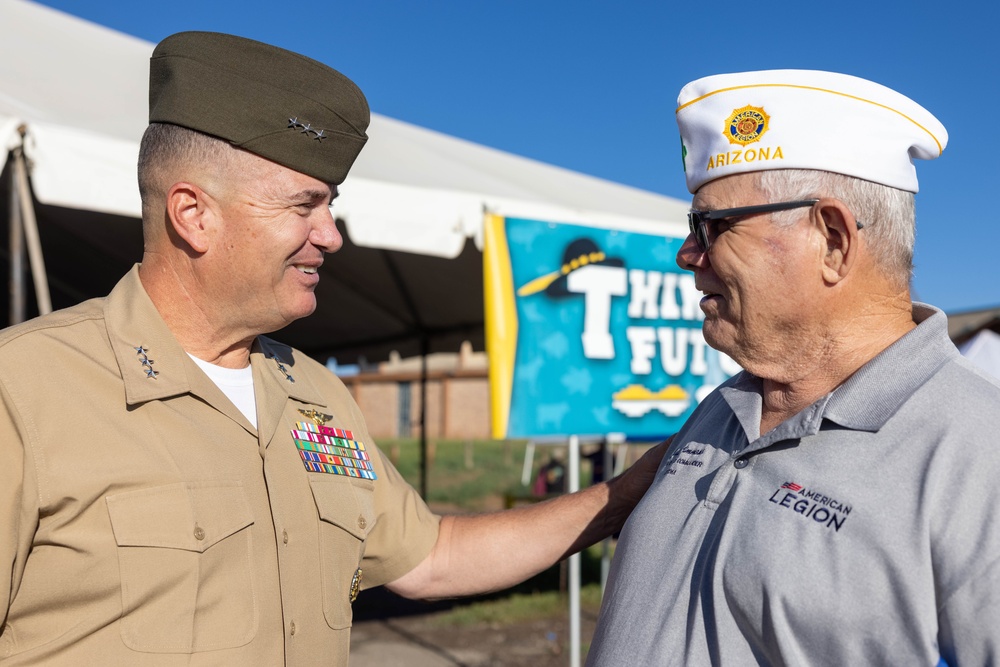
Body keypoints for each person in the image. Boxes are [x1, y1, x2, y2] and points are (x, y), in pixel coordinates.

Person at [0, 32, 666, 666]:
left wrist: (639, 484)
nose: (331, 234)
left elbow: (432, 556)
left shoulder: (314, 394)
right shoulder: (25, 389)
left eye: (331, 204)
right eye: (304, 204)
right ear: (193, 214)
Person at [586, 70, 1000, 666]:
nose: (687, 256)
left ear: (832, 240)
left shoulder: (975, 458)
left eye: (711, 227)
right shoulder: (723, 409)